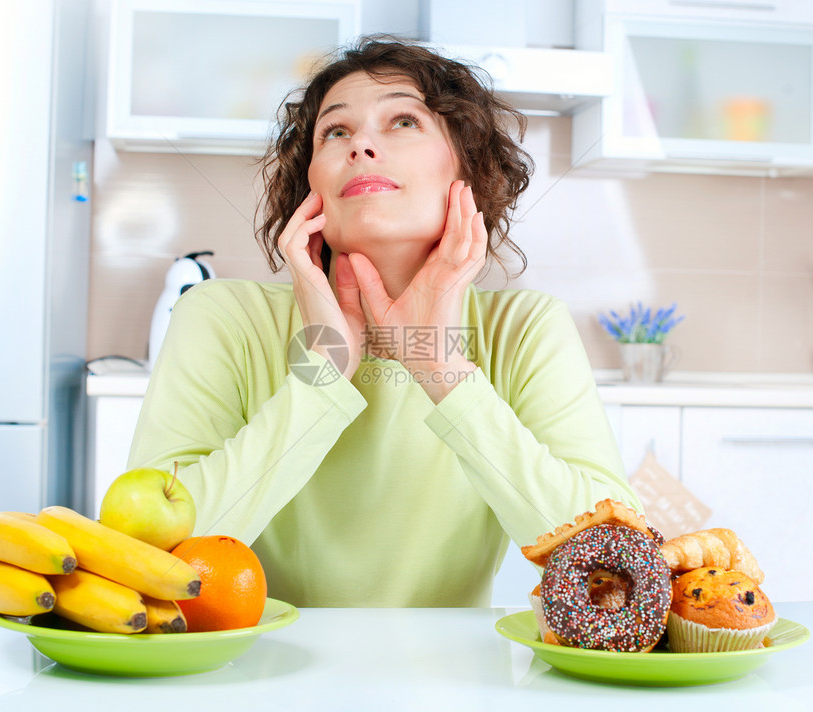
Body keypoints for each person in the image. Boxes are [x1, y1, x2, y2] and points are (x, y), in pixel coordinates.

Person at [127, 37, 641, 607]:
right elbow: (153, 561)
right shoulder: (223, 317)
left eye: (402, 121)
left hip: (451, 687)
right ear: (311, 184)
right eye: (336, 131)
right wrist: (323, 377)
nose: (362, 144)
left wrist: (440, 368)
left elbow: (618, 565)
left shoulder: (524, 328)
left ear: (467, 168)